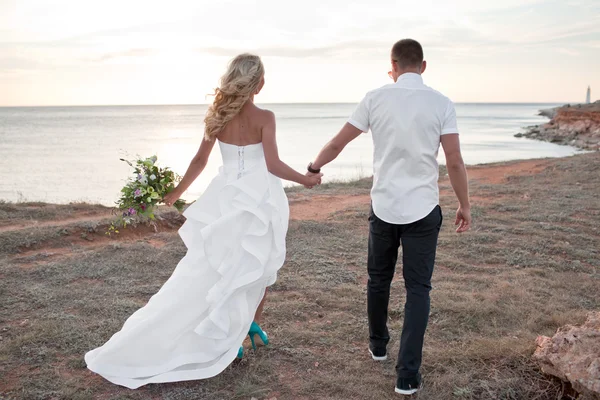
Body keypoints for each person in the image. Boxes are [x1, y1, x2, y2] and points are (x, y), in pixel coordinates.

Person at [85, 54, 322, 389]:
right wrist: (305, 179)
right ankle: (250, 326)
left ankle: (240, 331)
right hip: (258, 200)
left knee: (219, 267)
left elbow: (200, 160)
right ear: (259, 83)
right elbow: (272, 164)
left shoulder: (217, 116)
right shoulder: (265, 116)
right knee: (257, 263)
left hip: (226, 199)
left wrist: (175, 192)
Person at [306, 39, 471, 395]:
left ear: (392, 67)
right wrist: (465, 204)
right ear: (423, 66)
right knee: (418, 290)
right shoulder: (441, 103)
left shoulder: (375, 97)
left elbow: (338, 143)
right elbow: (454, 160)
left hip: (383, 208)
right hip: (423, 209)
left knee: (378, 279)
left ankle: (378, 346)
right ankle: (406, 376)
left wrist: (314, 166)